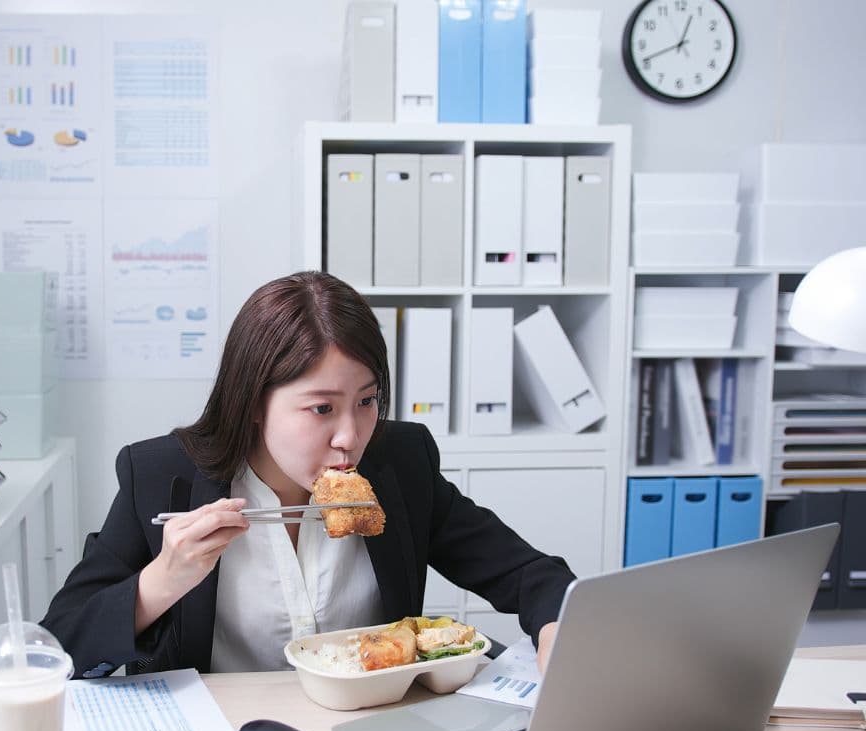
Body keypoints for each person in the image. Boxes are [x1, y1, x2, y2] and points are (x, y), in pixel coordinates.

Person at [41, 271, 576, 678]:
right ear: (253, 402)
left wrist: (557, 629)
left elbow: (530, 575)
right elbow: (58, 643)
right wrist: (162, 580)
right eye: (321, 408)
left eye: (366, 401)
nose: (351, 435)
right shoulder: (162, 475)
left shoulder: (400, 464)